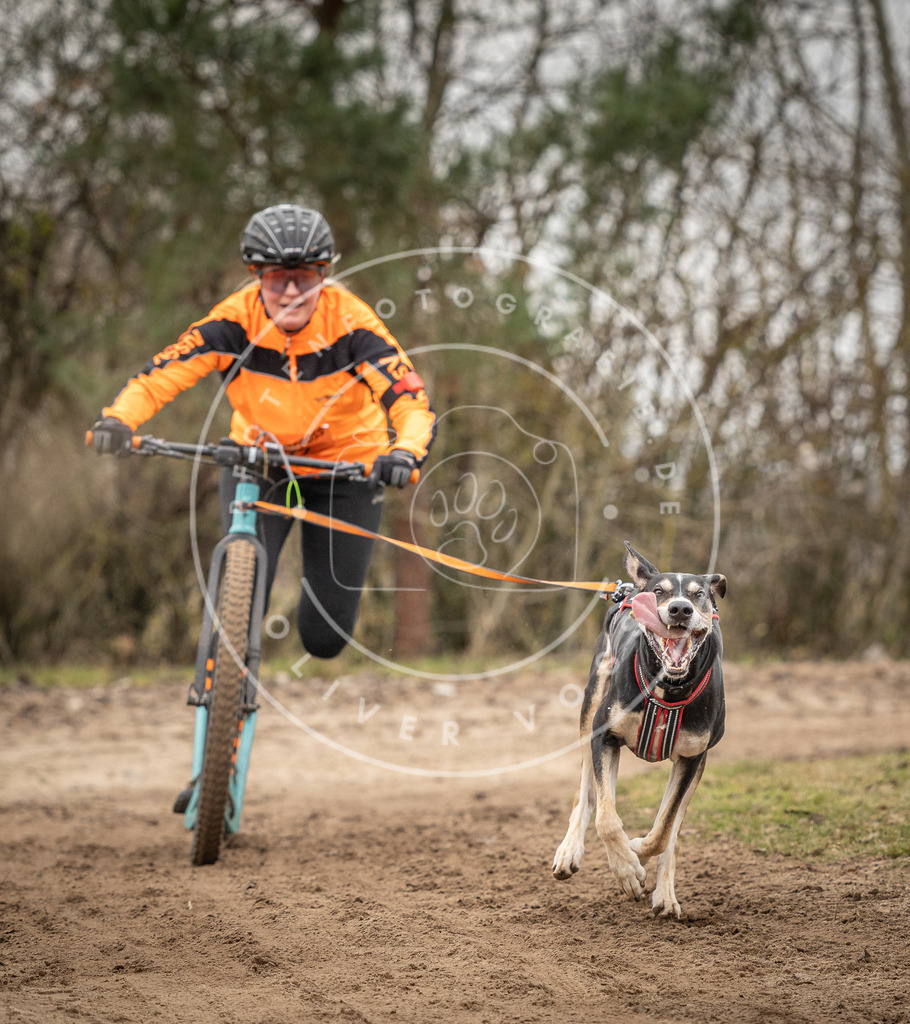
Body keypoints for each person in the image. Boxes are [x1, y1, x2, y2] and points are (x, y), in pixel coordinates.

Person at [91, 203, 436, 658]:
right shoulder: (232, 322)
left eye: (306, 279)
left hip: (346, 469)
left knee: (325, 638)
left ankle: (310, 631)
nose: (291, 291)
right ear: (257, 277)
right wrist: (119, 420)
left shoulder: (355, 326)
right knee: (244, 592)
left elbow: (409, 397)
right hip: (260, 462)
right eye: (277, 279)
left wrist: (406, 452)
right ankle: (224, 693)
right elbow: (161, 374)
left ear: (324, 276)